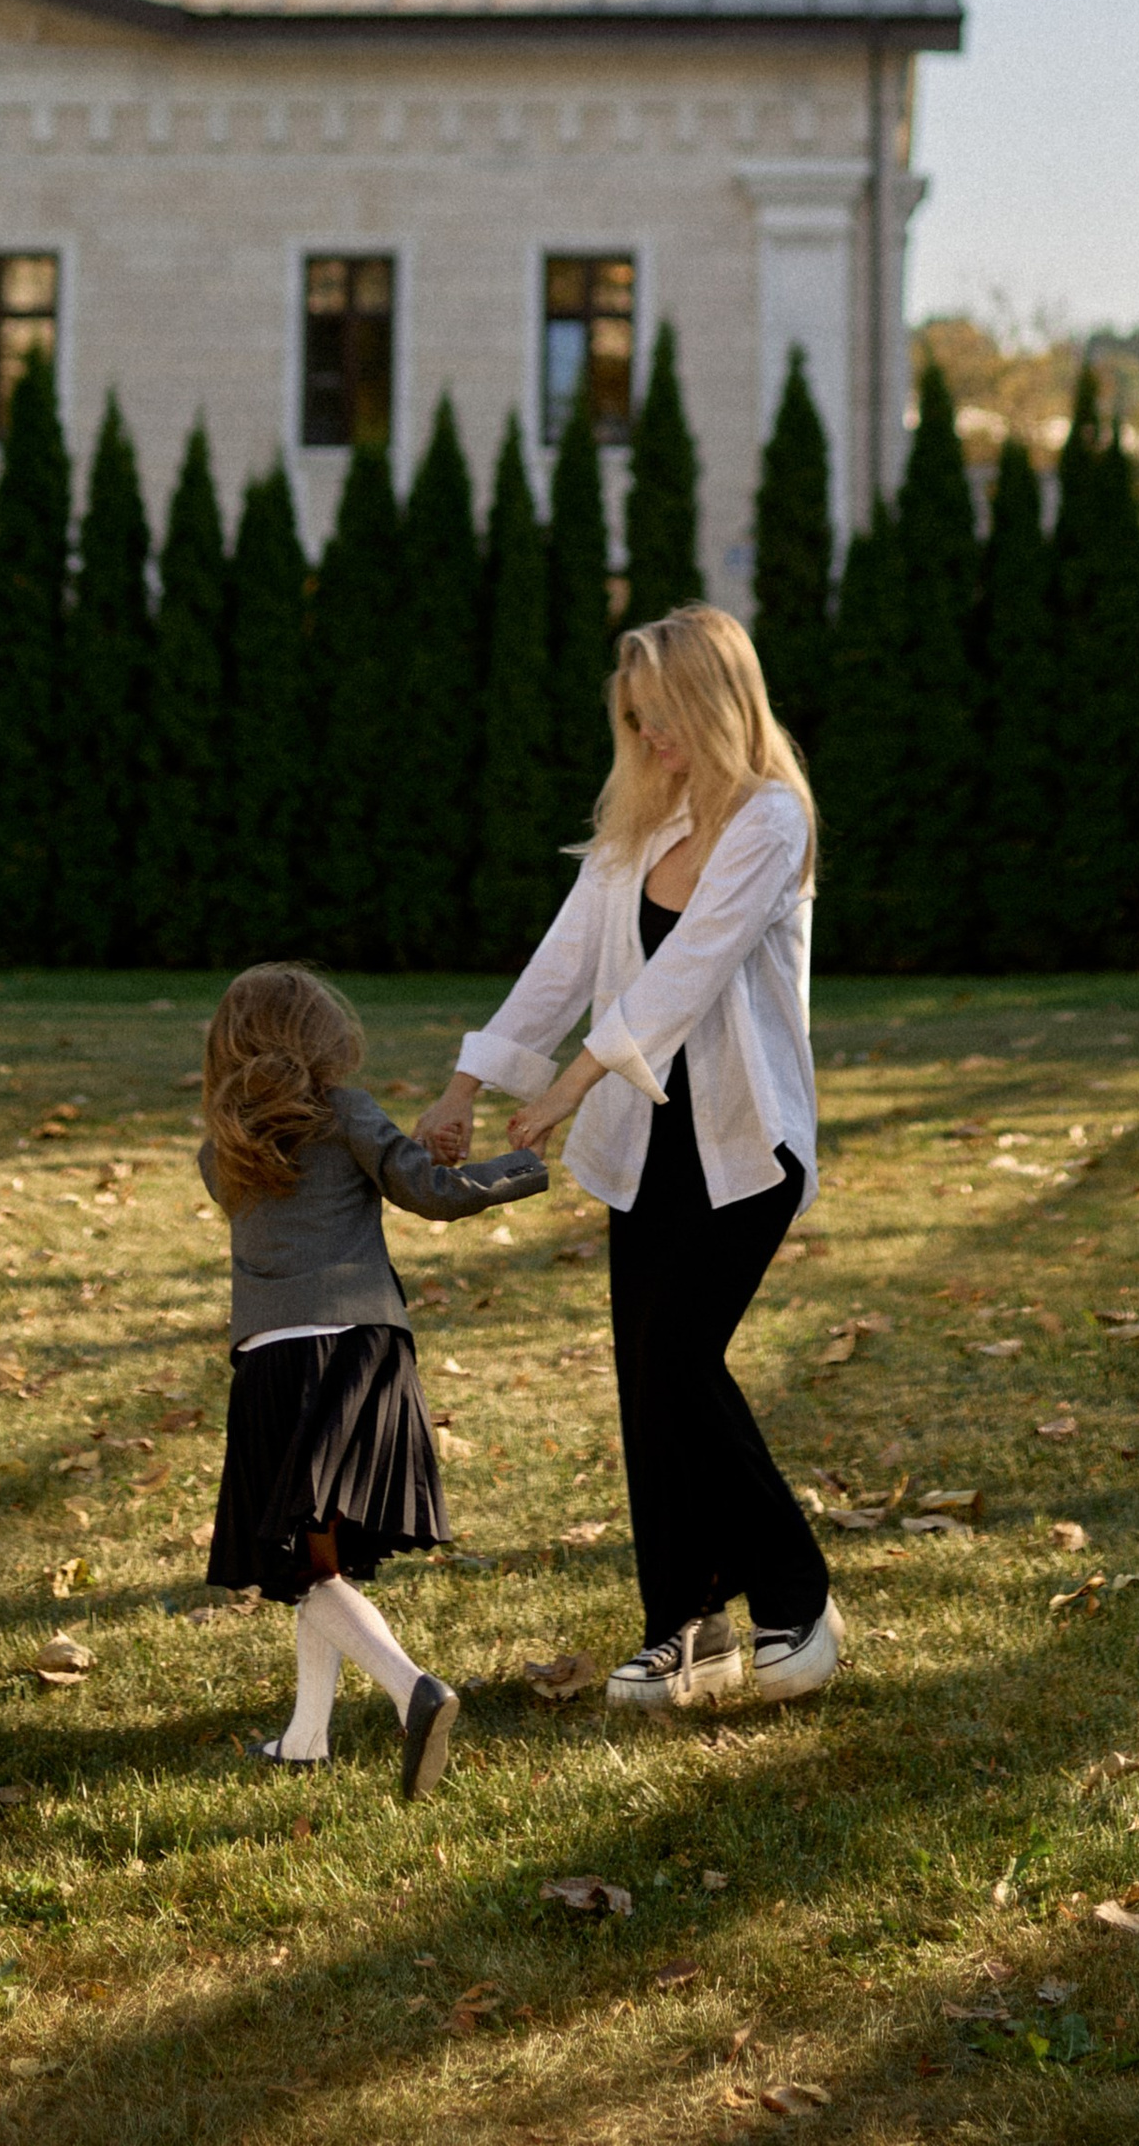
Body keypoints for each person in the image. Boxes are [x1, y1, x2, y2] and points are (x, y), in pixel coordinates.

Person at [418, 603, 839, 1717]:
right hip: (644, 1153)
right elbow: (564, 960)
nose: (649, 739)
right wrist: (470, 1082)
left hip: (745, 1151)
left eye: (663, 717)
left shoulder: (769, 820)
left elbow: (684, 975)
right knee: (646, 1389)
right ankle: (683, 1627)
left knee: (682, 1363)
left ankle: (797, 1590)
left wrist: (565, 1085)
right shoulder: (640, 832)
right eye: (635, 719)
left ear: (713, 701)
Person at [199, 958, 545, 1793]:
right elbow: (431, 1194)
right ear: (326, 1041)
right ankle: (324, 1729)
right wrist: (518, 1170)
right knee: (316, 1561)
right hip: (363, 1352)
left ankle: (406, 1690)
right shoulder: (346, 1114)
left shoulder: (223, 1153)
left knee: (307, 1561)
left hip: (275, 1363)